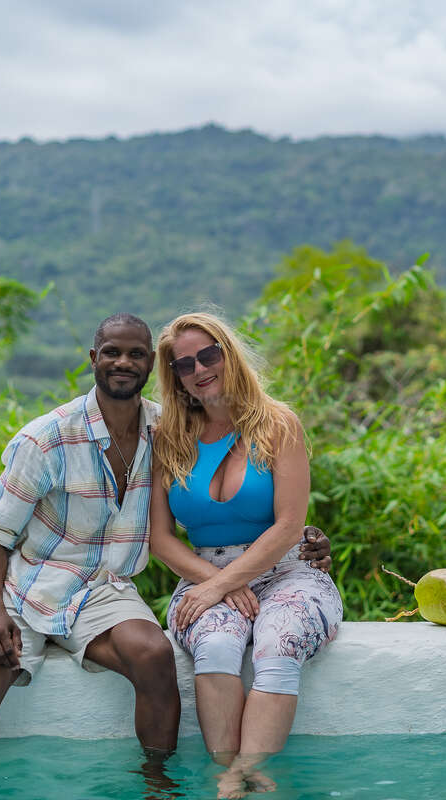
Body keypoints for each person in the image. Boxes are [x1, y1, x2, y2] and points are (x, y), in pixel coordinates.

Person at [0, 313, 332, 778]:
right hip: (25, 588)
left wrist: (304, 543)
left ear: (149, 366)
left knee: (158, 657)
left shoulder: (164, 430)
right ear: (94, 359)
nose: (123, 362)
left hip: (103, 590)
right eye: (112, 352)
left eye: (135, 354)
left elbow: (283, 516)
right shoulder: (55, 438)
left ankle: (158, 784)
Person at [150, 312, 343, 798]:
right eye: (184, 364)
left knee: (279, 641)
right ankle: (227, 770)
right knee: (216, 647)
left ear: (229, 354)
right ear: (175, 377)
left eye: (208, 355)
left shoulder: (280, 424)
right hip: (201, 571)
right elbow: (161, 538)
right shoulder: (168, 438)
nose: (199, 369)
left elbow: (289, 527)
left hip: (288, 572)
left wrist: (224, 582)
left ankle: (242, 773)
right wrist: (215, 582)